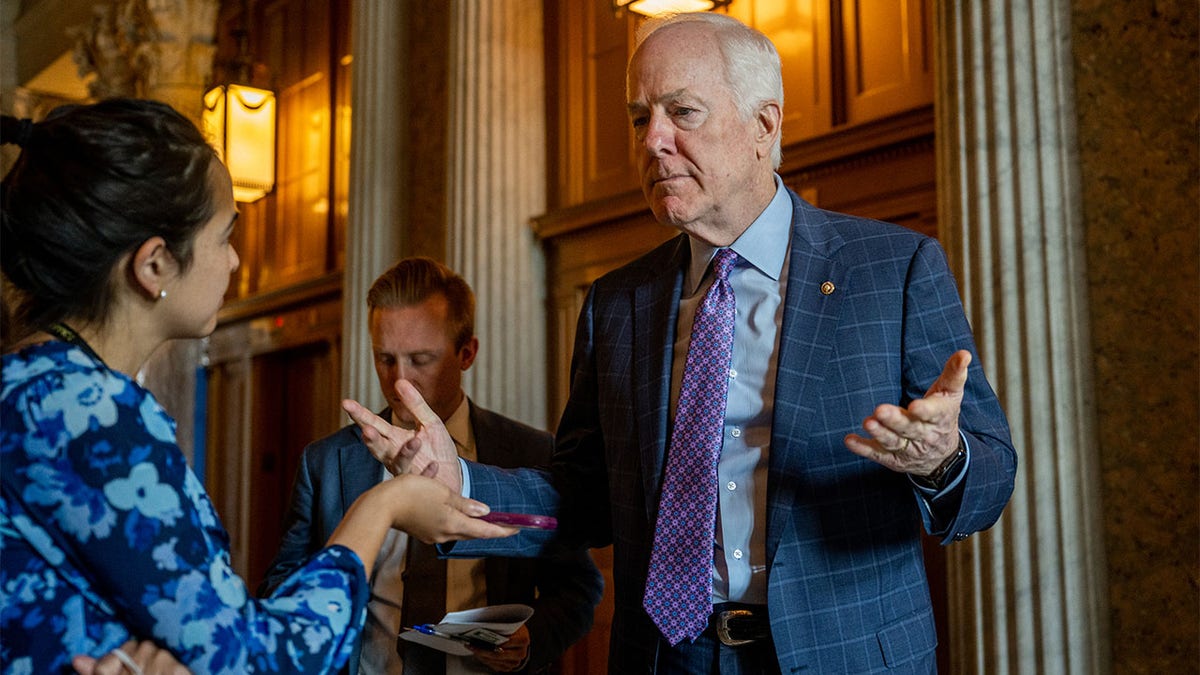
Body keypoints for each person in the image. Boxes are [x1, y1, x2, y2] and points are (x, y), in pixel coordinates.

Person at [346, 11, 1018, 675]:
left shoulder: (891, 269)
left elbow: (990, 476)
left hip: (843, 653)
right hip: (668, 657)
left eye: (682, 112)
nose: (653, 141)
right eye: (641, 118)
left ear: (765, 126)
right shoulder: (617, 304)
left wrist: (942, 459)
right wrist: (459, 478)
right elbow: (583, 498)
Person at [0, 99, 513, 674]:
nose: (237, 260)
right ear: (154, 266)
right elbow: (263, 657)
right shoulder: (88, 413)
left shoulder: (33, 387)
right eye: (224, 237)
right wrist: (385, 505)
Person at [260, 256, 603, 675]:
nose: (400, 382)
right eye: (385, 359)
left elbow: (578, 587)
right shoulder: (326, 462)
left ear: (466, 353)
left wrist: (532, 638)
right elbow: (281, 587)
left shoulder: (529, 451)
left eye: (421, 360)